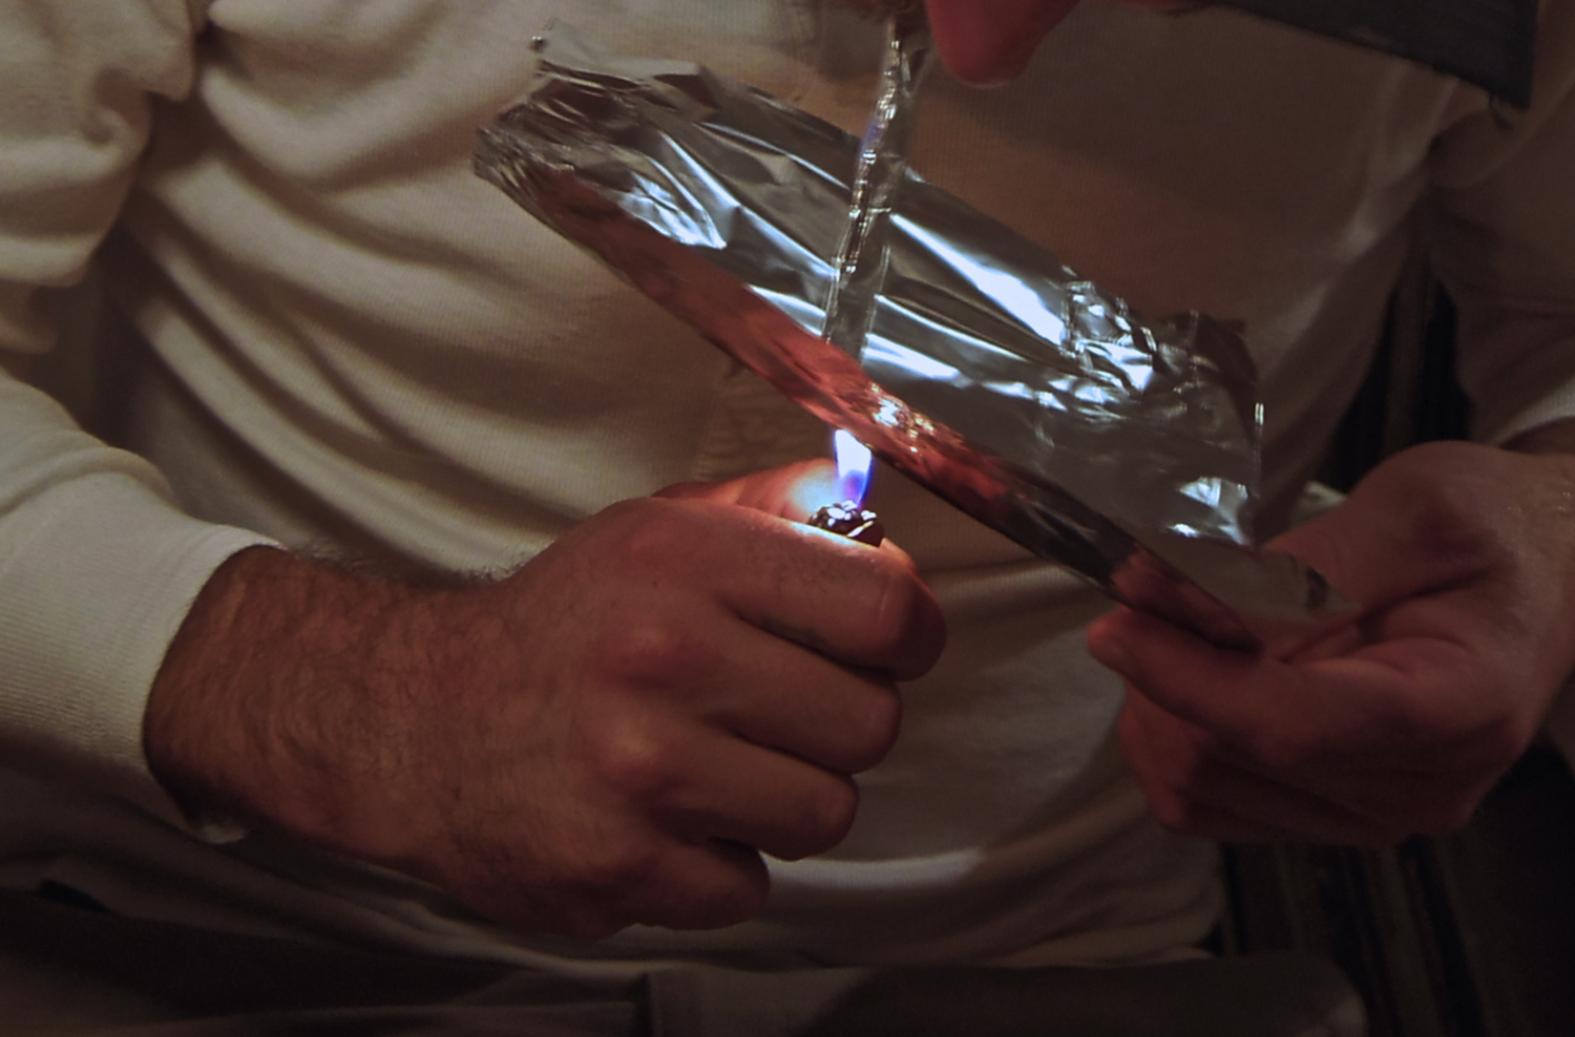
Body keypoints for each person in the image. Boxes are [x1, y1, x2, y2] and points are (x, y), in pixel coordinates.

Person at [0, 0, 1570, 1031]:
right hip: (204, 936)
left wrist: (1551, 544)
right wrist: (363, 695)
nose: (978, 46)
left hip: (1072, 975)